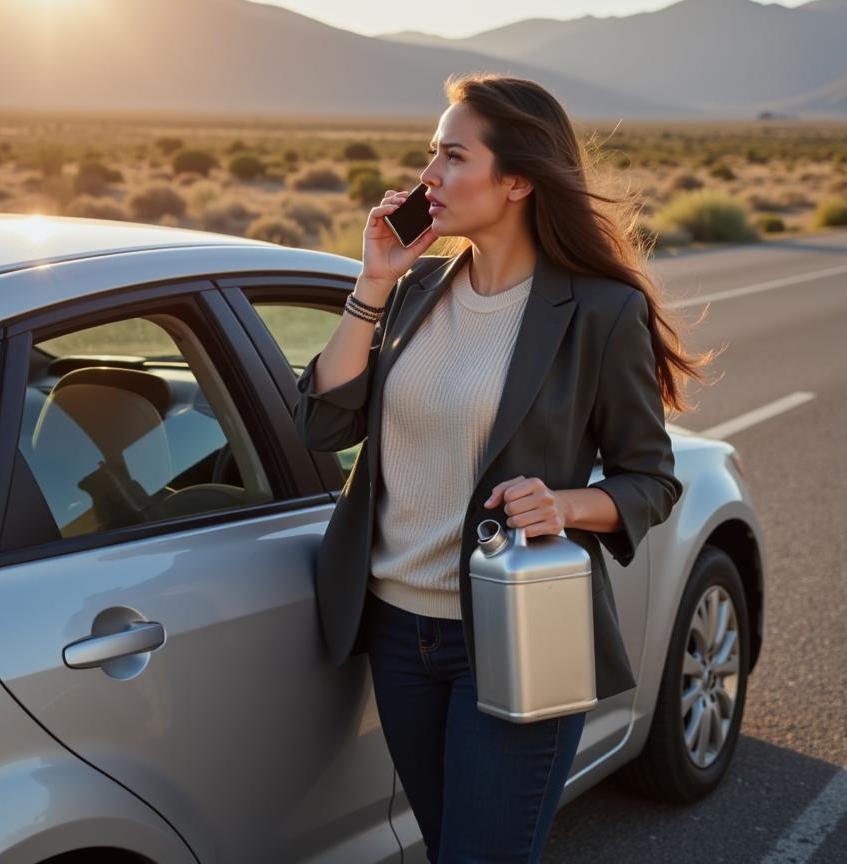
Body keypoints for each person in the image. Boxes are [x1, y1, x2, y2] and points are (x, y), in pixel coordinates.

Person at [293, 73, 713, 863]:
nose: (428, 177)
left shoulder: (599, 311)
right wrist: (372, 284)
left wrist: (564, 505)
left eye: (453, 157)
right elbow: (321, 422)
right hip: (395, 631)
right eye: (430, 154)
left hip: (515, 630)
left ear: (518, 179)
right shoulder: (414, 290)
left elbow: (650, 481)